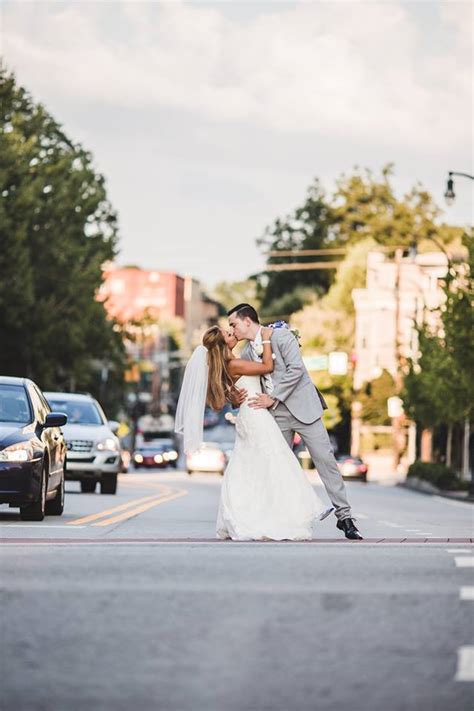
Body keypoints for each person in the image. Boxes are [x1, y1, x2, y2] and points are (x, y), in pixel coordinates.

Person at [175, 324, 334, 541]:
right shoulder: (234, 363)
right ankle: (277, 515)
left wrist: (232, 395)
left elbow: (234, 391)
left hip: (251, 415)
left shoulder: (229, 364)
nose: (233, 334)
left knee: (254, 467)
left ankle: (258, 514)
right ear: (224, 344)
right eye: (229, 334)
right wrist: (267, 339)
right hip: (256, 416)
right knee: (278, 463)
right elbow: (268, 367)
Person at [227, 303, 363, 540]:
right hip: (275, 417)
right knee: (276, 467)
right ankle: (280, 519)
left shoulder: (282, 336)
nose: (232, 329)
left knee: (325, 460)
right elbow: (244, 384)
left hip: (304, 410)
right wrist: (235, 397)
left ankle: (345, 517)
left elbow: (296, 370)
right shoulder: (247, 353)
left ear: (247, 321)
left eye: (234, 324)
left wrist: (274, 397)